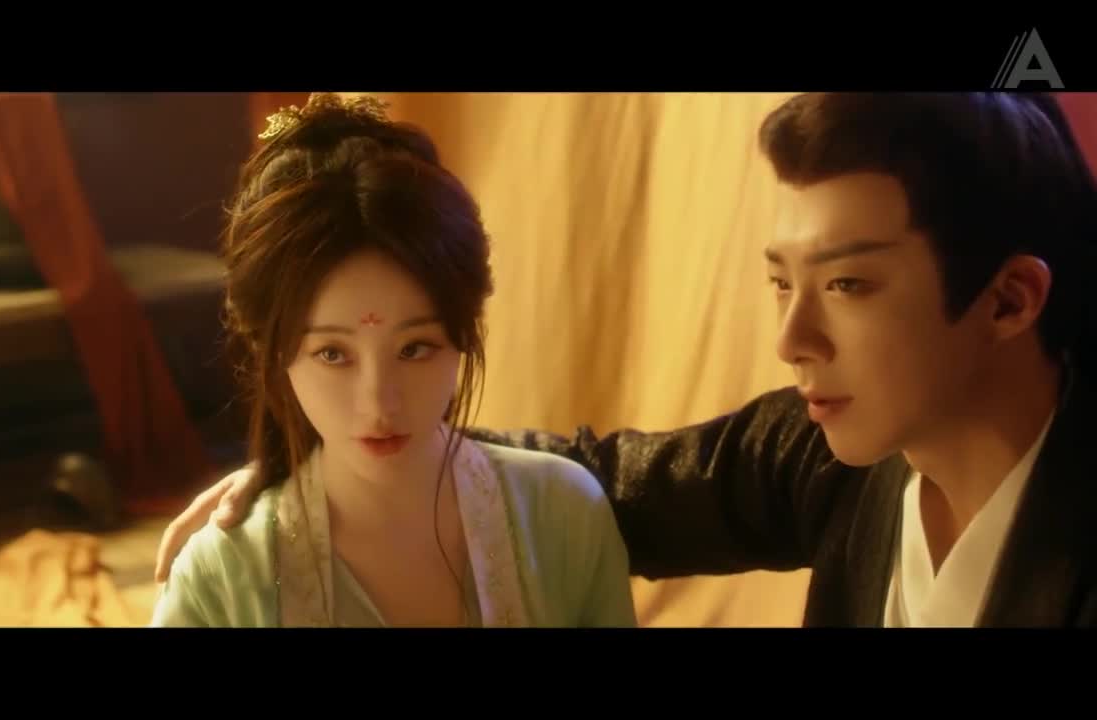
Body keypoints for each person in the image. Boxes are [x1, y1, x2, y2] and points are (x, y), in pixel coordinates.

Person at [157, 92, 1097, 628]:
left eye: (849, 284)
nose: (791, 341)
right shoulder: (827, 457)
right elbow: (604, 483)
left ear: (1010, 299)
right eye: (781, 282)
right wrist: (333, 454)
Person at [148, 93, 636, 628]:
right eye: (332, 353)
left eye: (414, 348)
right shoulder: (222, 574)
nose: (380, 402)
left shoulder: (565, 515)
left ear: (466, 328)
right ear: (273, 351)